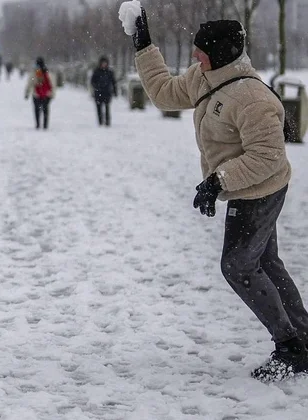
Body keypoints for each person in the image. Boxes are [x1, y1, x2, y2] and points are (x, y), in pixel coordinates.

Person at [131, 9, 308, 382]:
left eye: (201, 51)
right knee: (266, 262)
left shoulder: (252, 98)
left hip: (261, 189)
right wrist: (144, 45)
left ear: (221, 52)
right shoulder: (204, 77)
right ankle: (303, 338)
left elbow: (268, 156)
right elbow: (164, 94)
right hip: (242, 185)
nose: (195, 57)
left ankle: (291, 348)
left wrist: (217, 181)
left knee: (239, 266)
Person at [24, 57, 55, 130]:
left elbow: (30, 83)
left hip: (36, 94)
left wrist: (27, 93)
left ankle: (38, 124)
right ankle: (45, 125)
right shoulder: (48, 72)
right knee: (45, 109)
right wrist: (52, 94)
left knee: (37, 109)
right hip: (47, 95)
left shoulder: (35, 72)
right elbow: (52, 84)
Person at [90, 56, 117, 127]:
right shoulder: (96, 71)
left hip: (107, 93)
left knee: (107, 108)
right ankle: (100, 121)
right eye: (103, 63)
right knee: (99, 108)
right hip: (98, 93)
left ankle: (107, 122)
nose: (104, 64)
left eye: (105, 63)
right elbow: (92, 81)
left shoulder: (110, 72)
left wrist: (115, 91)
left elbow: (113, 82)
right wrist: (97, 87)